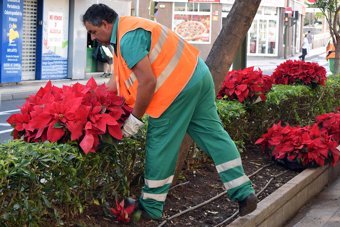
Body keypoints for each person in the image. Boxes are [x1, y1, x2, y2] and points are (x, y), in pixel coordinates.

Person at [82, 3, 257, 220]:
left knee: (160, 144)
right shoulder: (127, 31)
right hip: (197, 75)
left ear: (105, 24)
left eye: (93, 31)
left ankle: (150, 207)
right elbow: (115, 82)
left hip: (175, 89)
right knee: (213, 135)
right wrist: (87, 97)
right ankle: (244, 192)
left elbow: (147, 82)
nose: (92, 37)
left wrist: (135, 119)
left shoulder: (127, 39)